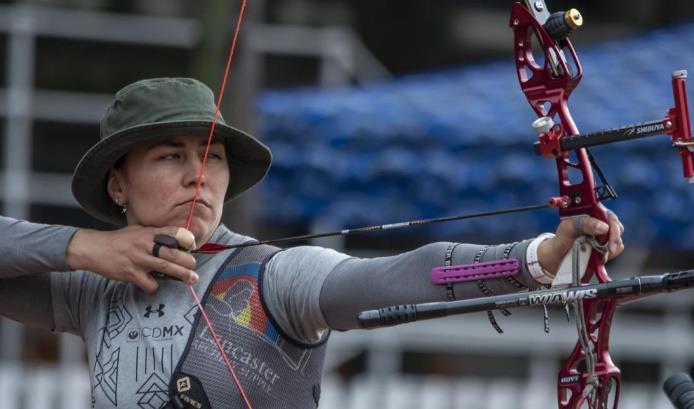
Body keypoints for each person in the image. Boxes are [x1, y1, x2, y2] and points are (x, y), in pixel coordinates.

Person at [0, 77, 624, 409]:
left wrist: (541, 258)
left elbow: (395, 277)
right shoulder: (90, 289)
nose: (199, 173)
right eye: (171, 156)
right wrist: (84, 248)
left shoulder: (275, 278)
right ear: (119, 183)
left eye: (212, 156)